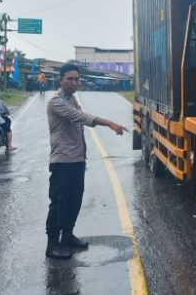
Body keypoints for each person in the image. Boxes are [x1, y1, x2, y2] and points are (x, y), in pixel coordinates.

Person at [45, 63, 127, 259]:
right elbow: (79, 117)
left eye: (76, 79)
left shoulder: (72, 99)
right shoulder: (56, 102)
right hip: (62, 161)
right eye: (70, 79)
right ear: (61, 80)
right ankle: (52, 245)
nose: (74, 83)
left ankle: (67, 236)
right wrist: (109, 123)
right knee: (59, 203)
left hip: (77, 160)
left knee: (74, 201)